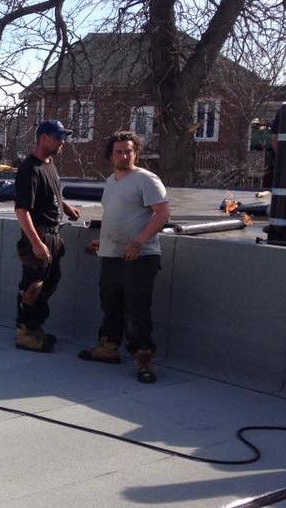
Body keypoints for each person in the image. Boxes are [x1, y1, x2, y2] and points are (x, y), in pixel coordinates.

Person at [79, 131, 171, 384]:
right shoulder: (111, 181)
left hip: (139, 257)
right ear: (111, 155)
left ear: (136, 153)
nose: (123, 156)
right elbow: (117, 216)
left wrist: (139, 242)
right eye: (118, 152)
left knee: (137, 309)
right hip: (112, 255)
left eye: (128, 151)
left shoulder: (146, 179)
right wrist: (104, 242)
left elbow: (162, 213)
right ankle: (108, 348)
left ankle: (144, 359)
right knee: (110, 304)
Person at [13, 120, 81, 352]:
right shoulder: (29, 169)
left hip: (53, 233)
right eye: (58, 137)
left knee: (50, 282)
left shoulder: (49, 165)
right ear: (43, 137)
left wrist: (66, 208)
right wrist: (35, 243)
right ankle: (24, 332)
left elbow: (52, 193)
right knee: (33, 285)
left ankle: (35, 327)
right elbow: (22, 210)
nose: (61, 142)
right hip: (39, 234)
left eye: (62, 138)